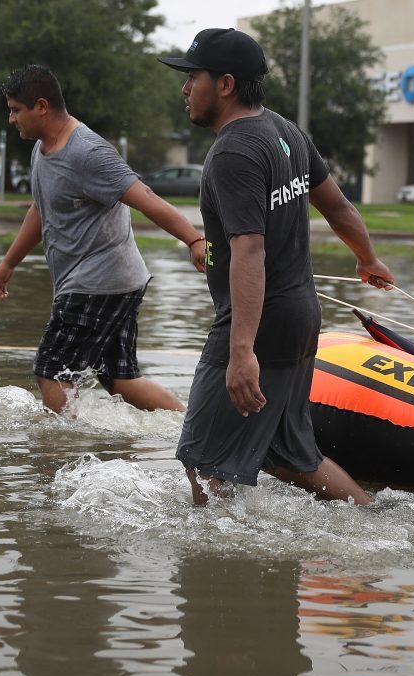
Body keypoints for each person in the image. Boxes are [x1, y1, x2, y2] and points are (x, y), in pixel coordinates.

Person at [157, 28, 394, 506]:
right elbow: (340, 208)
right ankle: (375, 520)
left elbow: (250, 249)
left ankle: (220, 570)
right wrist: (367, 258)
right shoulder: (285, 132)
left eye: (192, 77)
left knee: (203, 462)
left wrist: (241, 351)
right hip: (299, 318)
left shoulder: (232, 152)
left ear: (225, 84)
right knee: (291, 457)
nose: (185, 88)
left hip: (257, 326)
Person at [0, 65, 207, 414]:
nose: (12, 119)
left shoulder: (87, 153)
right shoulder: (42, 149)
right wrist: (9, 262)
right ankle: (188, 427)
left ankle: (62, 454)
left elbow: (145, 196)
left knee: (51, 373)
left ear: (41, 106)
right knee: (120, 380)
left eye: (16, 110)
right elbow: (40, 208)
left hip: (95, 283)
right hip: (117, 282)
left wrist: (194, 240)